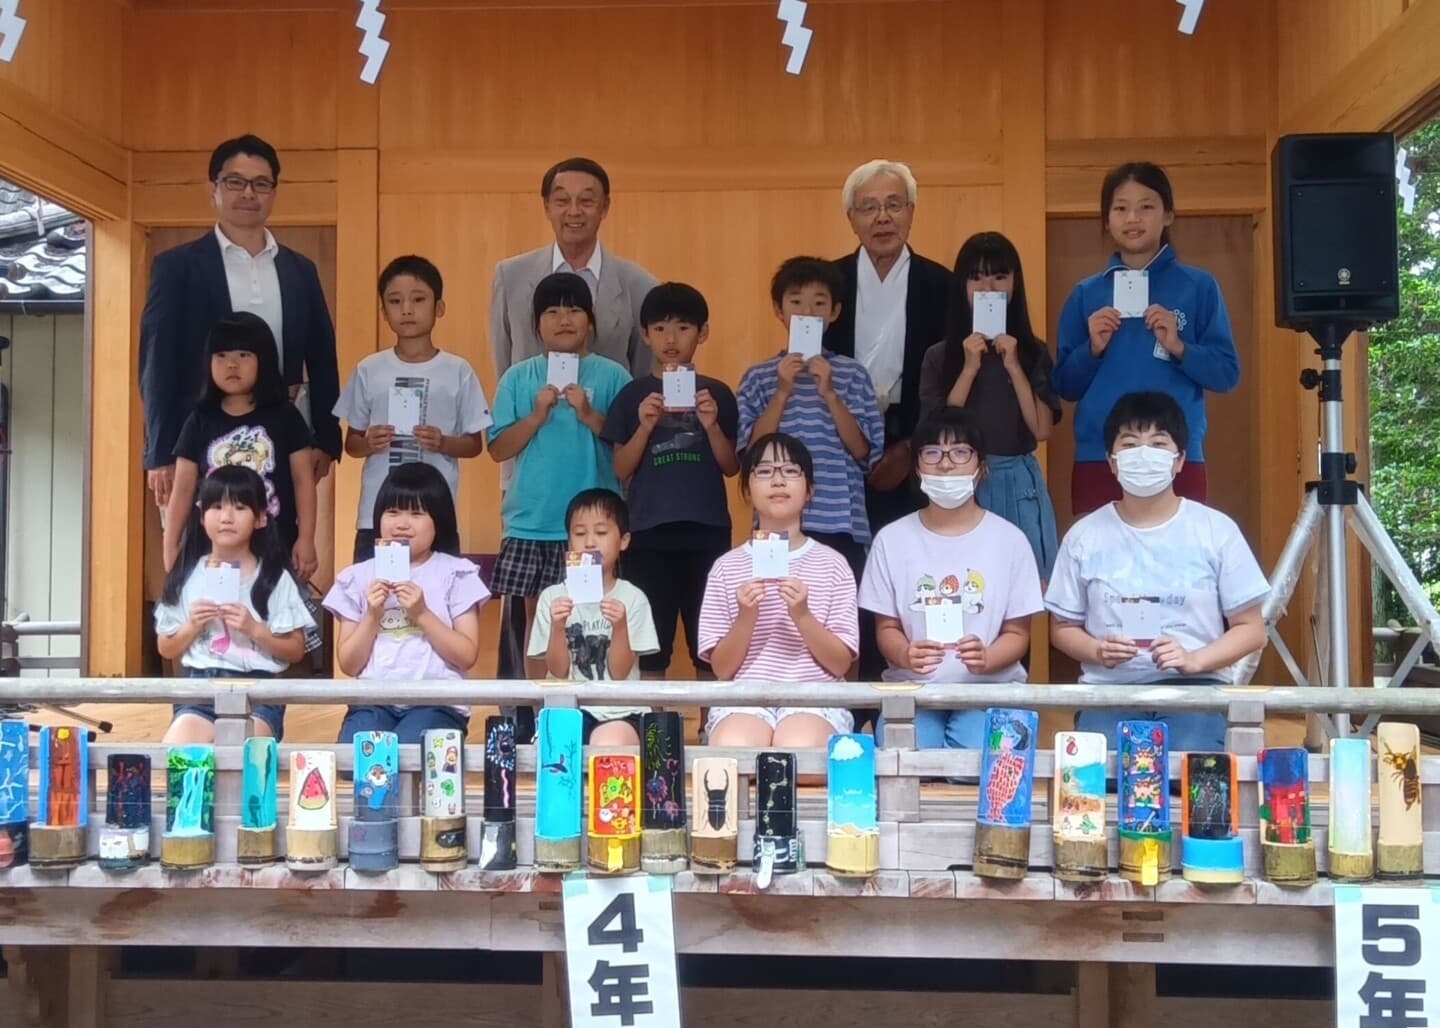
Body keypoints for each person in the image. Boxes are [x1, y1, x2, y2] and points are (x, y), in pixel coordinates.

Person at [1046, 392, 1268, 750]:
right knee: (1100, 779)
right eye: (1130, 444)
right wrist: (1097, 650)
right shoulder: (1083, 535)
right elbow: (1062, 628)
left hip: (1196, 691)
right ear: (1112, 461)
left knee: (1187, 772)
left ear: (1180, 460)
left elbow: (1252, 630)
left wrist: (1195, 660)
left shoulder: (1215, 529)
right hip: (1110, 690)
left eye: (1158, 443)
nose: (1144, 454)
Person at [140, 134, 340, 513]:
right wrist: (159, 450)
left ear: (274, 193)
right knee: (202, 556)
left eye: (261, 184)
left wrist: (326, 439)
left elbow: (322, 355)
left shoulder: (299, 270)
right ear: (213, 189)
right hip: (198, 437)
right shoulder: (177, 267)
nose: (249, 193)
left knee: (276, 544)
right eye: (235, 182)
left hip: (280, 436)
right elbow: (156, 360)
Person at [1053, 161, 1240, 517]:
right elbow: (1064, 386)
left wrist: (1180, 347)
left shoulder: (1198, 287)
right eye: (1120, 208)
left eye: (1146, 206)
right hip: (1100, 455)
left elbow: (1227, 374)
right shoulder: (1086, 294)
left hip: (1176, 457)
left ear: (1168, 215)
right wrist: (1091, 350)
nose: (1132, 218)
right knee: (1102, 566)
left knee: (1181, 567)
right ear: (1106, 219)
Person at [859, 408, 1043, 750]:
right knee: (907, 758)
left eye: (960, 452)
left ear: (981, 467)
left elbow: (1018, 634)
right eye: (932, 452)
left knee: (978, 764)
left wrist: (988, 658)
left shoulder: (1011, 540)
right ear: (917, 467)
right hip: (912, 692)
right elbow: (885, 628)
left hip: (991, 691)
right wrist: (904, 653)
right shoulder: (891, 539)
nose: (945, 463)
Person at [488, 272, 631, 657]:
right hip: (534, 521)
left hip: (594, 525)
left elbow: (628, 450)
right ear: (536, 324)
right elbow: (498, 449)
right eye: (551, 311)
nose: (563, 319)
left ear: (591, 321)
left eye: (574, 310)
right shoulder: (518, 378)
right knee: (541, 627)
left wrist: (589, 413)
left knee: (596, 621)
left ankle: (593, 709)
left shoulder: (614, 375)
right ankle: (541, 713)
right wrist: (536, 416)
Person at [602, 282, 739, 679]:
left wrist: (712, 426)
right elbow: (621, 469)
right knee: (652, 644)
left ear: (703, 332)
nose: (671, 338)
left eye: (683, 327)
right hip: (647, 531)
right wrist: (644, 427)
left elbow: (731, 466)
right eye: (660, 329)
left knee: (708, 642)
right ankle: (654, 732)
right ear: (645, 335)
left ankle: (711, 730)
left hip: (707, 529)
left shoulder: (718, 393)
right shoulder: (632, 396)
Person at [698, 434, 859, 748]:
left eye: (790, 471)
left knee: (800, 754)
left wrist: (802, 615)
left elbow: (841, 664)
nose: (778, 480)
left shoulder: (833, 564)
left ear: (809, 490)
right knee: (734, 753)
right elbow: (721, 669)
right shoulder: (726, 567)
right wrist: (746, 617)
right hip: (743, 697)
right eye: (764, 471)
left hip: (814, 698)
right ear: (747, 489)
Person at [918, 232, 1062, 579]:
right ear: (962, 286)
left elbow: (1042, 430)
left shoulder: (1032, 351)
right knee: (959, 584)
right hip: (959, 480)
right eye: (976, 276)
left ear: (1015, 284)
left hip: (1016, 481)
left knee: (1020, 588)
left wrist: (1014, 365)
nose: (988, 287)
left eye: (1000, 276)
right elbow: (940, 431)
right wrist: (969, 368)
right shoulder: (940, 355)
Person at [333, 255, 492, 563]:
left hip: (435, 512)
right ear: (383, 311)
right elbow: (351, 443)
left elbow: (475, 444)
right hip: (376, 516)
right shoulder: (369, 369)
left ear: (439, 307)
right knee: (375, 601)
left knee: (435, 602)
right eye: (395, 301)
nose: (406, 309)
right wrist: (369, 442)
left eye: (418, 299)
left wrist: (443, 442)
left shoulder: (458, 370)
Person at [736, 257, 884, 584]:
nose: (807, 311)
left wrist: (830, 393)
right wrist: (782, 392)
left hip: (842, 523)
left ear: (835, 312)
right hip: (775, 521)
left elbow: (863, 451)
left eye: (819, 303)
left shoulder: (852, 375)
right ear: (779, 310)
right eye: (796, 302)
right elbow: (751, 452)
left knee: (840, 618)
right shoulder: (759, 377)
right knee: (775, 614)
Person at [324, 463, 489, 744]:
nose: (401, 523)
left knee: (409, 753)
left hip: (438, 703)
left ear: (439, 520)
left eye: (416, 513)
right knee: (358, 761)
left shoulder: (456, 573)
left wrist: (422, 614)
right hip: (373, 701)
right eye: (393, 512)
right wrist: (372, 615)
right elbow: (349, 665)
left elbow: (466, 654)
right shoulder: (358, 576)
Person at [828, 159, 953, 531]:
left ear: (912, 212)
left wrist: (911, 445)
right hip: (840, 440)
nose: (882, 217)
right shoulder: (828, 284)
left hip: (916, 436)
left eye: (894, 204)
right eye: (869, 207)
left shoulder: (942, 285)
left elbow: (950, 377)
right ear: (851, 217)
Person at [155, 465, 314, 744]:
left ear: (261, 518)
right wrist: (192, 626)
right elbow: (166, 647)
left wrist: (255, 630)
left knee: (247, 761)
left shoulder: (274, 578)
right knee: (180, 758)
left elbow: (296, 649)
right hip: (199, 691)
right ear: (202, 516)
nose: (226, 517)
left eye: (240, 507)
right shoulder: (186, 576)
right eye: (216, 506)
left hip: (259, 694)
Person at [163, 312, 317, 583]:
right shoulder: (199, 420)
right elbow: (183, 488)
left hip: (275, 546)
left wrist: (306, 539)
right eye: (221, 355)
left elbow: (303, 481)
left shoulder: (286, 417)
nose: (231, 364)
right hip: (211, 552)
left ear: (264, 360)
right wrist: (171, 543)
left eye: (244, 355)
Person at [490, 157, 660, 378]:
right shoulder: (511, 275)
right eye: (562, 200)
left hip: (608, 411)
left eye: (586, 201)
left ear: (605, 207)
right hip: (533, 411)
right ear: (547, 207)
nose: (574, 211)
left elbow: (643, 375)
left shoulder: (639, 284)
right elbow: (505, 366)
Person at [528, 489, 661, 743]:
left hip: (621, 710)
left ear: (623, 541)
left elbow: (621, 673)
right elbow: (557, 670)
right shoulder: (552, 597)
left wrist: (620, 627)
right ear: (569, 541)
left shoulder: (633, 598)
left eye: (601, 533)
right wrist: (558, 627)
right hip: (566, 707)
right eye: (579, 534)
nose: (589, 542)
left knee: (607, 744)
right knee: (560, 744)